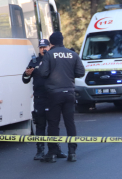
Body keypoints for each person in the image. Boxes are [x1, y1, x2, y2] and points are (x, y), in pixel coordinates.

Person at [38, 32, 85, 163]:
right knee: (70, 123)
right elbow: (81, 72)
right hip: (69, 92)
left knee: (53, 123)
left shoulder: (49, 55)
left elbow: (43, 72)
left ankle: (52, 153)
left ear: (51, 43)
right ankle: (72, 152)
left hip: (54, 93)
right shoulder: (72, 54)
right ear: (62, 40)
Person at [22, 39, 67, 160]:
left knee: (54, 125)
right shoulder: (34, 61)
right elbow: (25, 79)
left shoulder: (54, 60)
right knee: (40, 125)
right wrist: (27, 73)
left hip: (53, 98)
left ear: (49, 47)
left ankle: (56, 149)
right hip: (40, 98)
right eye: (41, 47)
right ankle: (40, 151)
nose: (43, 49)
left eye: (45, 47)